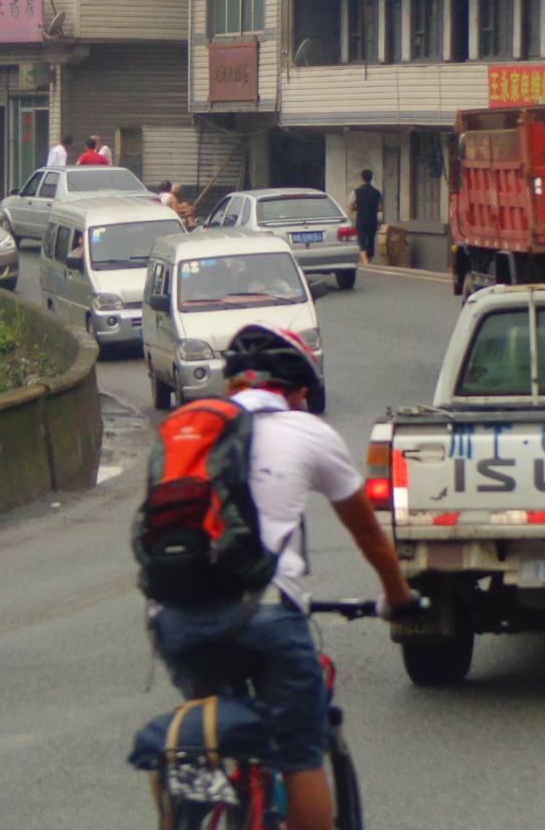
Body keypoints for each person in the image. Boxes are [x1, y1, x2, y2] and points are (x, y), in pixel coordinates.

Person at [147, 327, 419, 830]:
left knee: (202, 733)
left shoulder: (186, 432)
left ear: (232, 388)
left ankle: (193, 795)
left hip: (175, 616)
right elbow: (370, 537)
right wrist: (398, 597)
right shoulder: (308, 432)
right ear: (296, 393)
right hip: (268, 612)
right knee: (300, 753)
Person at [350, 169, 383, 266]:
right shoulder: (377, 192)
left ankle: (364, 260)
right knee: (371, 239)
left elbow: (351, 207)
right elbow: (381, 208)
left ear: (361, 178)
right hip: (373, 219)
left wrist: (359, 208)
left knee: (361, 239)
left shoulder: (356, 192)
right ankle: (369, 259)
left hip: (361, 219)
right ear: (371, 178)